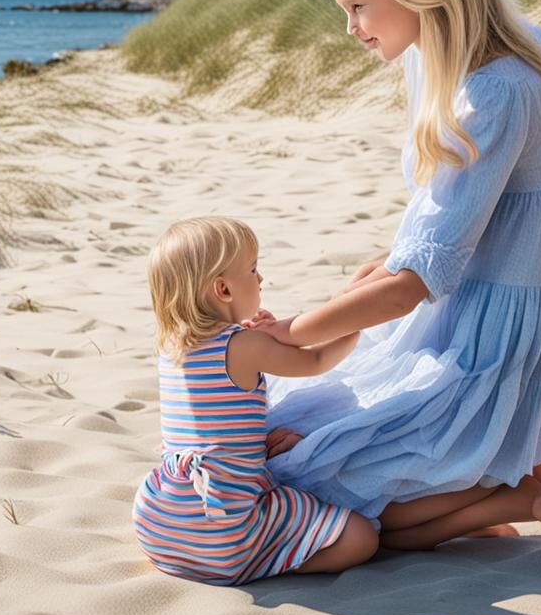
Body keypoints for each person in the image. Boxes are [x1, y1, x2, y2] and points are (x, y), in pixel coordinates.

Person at [248, 0, 541, 548]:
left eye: (359, 6)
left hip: (479, 338)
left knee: (309, 497)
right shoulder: (434, 53)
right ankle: (486, 474)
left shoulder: (498, 89)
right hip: (443, 314)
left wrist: (294, 331)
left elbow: (415, 282)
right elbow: (437, 225)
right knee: (270, 439)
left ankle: (509, 491)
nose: (351, 27)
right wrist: (364, 279)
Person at [131, 216, 379, 585]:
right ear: (223, 290)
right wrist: (355, 322)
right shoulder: (242, 345)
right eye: (252, 269)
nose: (260, 279)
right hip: (226, 528)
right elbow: (315, 360)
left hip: (161, 522)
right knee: (362, 537)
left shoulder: (171, 348)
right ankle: (273, 560)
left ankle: (222, 558)